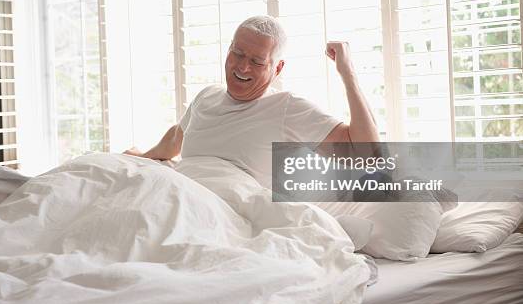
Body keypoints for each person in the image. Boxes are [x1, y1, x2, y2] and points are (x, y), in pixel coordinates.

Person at [124, 15, 379, 188]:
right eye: (237, 53)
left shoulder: (286, 109)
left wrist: (348, 74)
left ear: (277, 69)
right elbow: (176, 138)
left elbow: (366, 155)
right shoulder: (206, 97)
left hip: (228, 214)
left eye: (257, 61)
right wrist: (143, 156)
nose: (243, 67)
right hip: (181, 197)